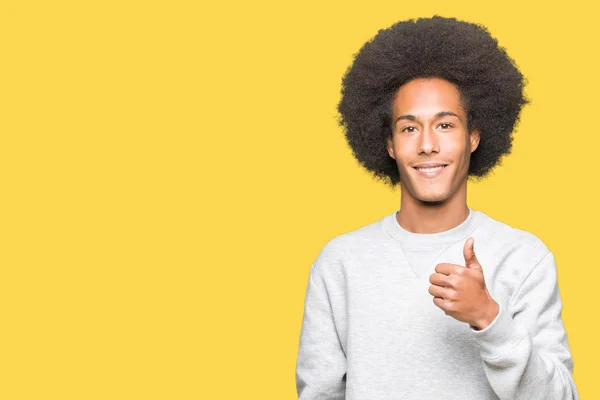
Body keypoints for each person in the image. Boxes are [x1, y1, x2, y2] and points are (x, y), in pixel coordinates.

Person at [295, 16, 578, 400]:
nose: (427, 144)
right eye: (409, 128)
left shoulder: (524, 258)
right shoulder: (340, 262)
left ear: (474, 136)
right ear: (391, 144)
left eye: (445, 125)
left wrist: (489, 318)